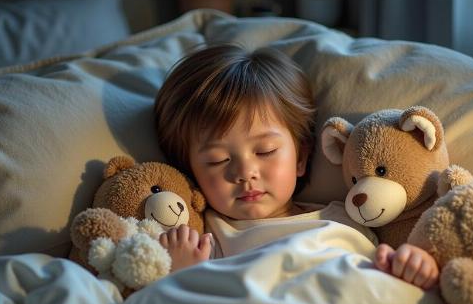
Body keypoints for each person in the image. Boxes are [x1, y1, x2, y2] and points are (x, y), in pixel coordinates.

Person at [154, 43, 439, 290]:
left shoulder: (344, 219)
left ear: (301, 158)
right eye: (218, 160)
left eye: (265, 151)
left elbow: (378, 285)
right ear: (190, 171)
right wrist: (179, 273)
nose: (245, 172)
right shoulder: (204, 238)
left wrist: (413, 268)